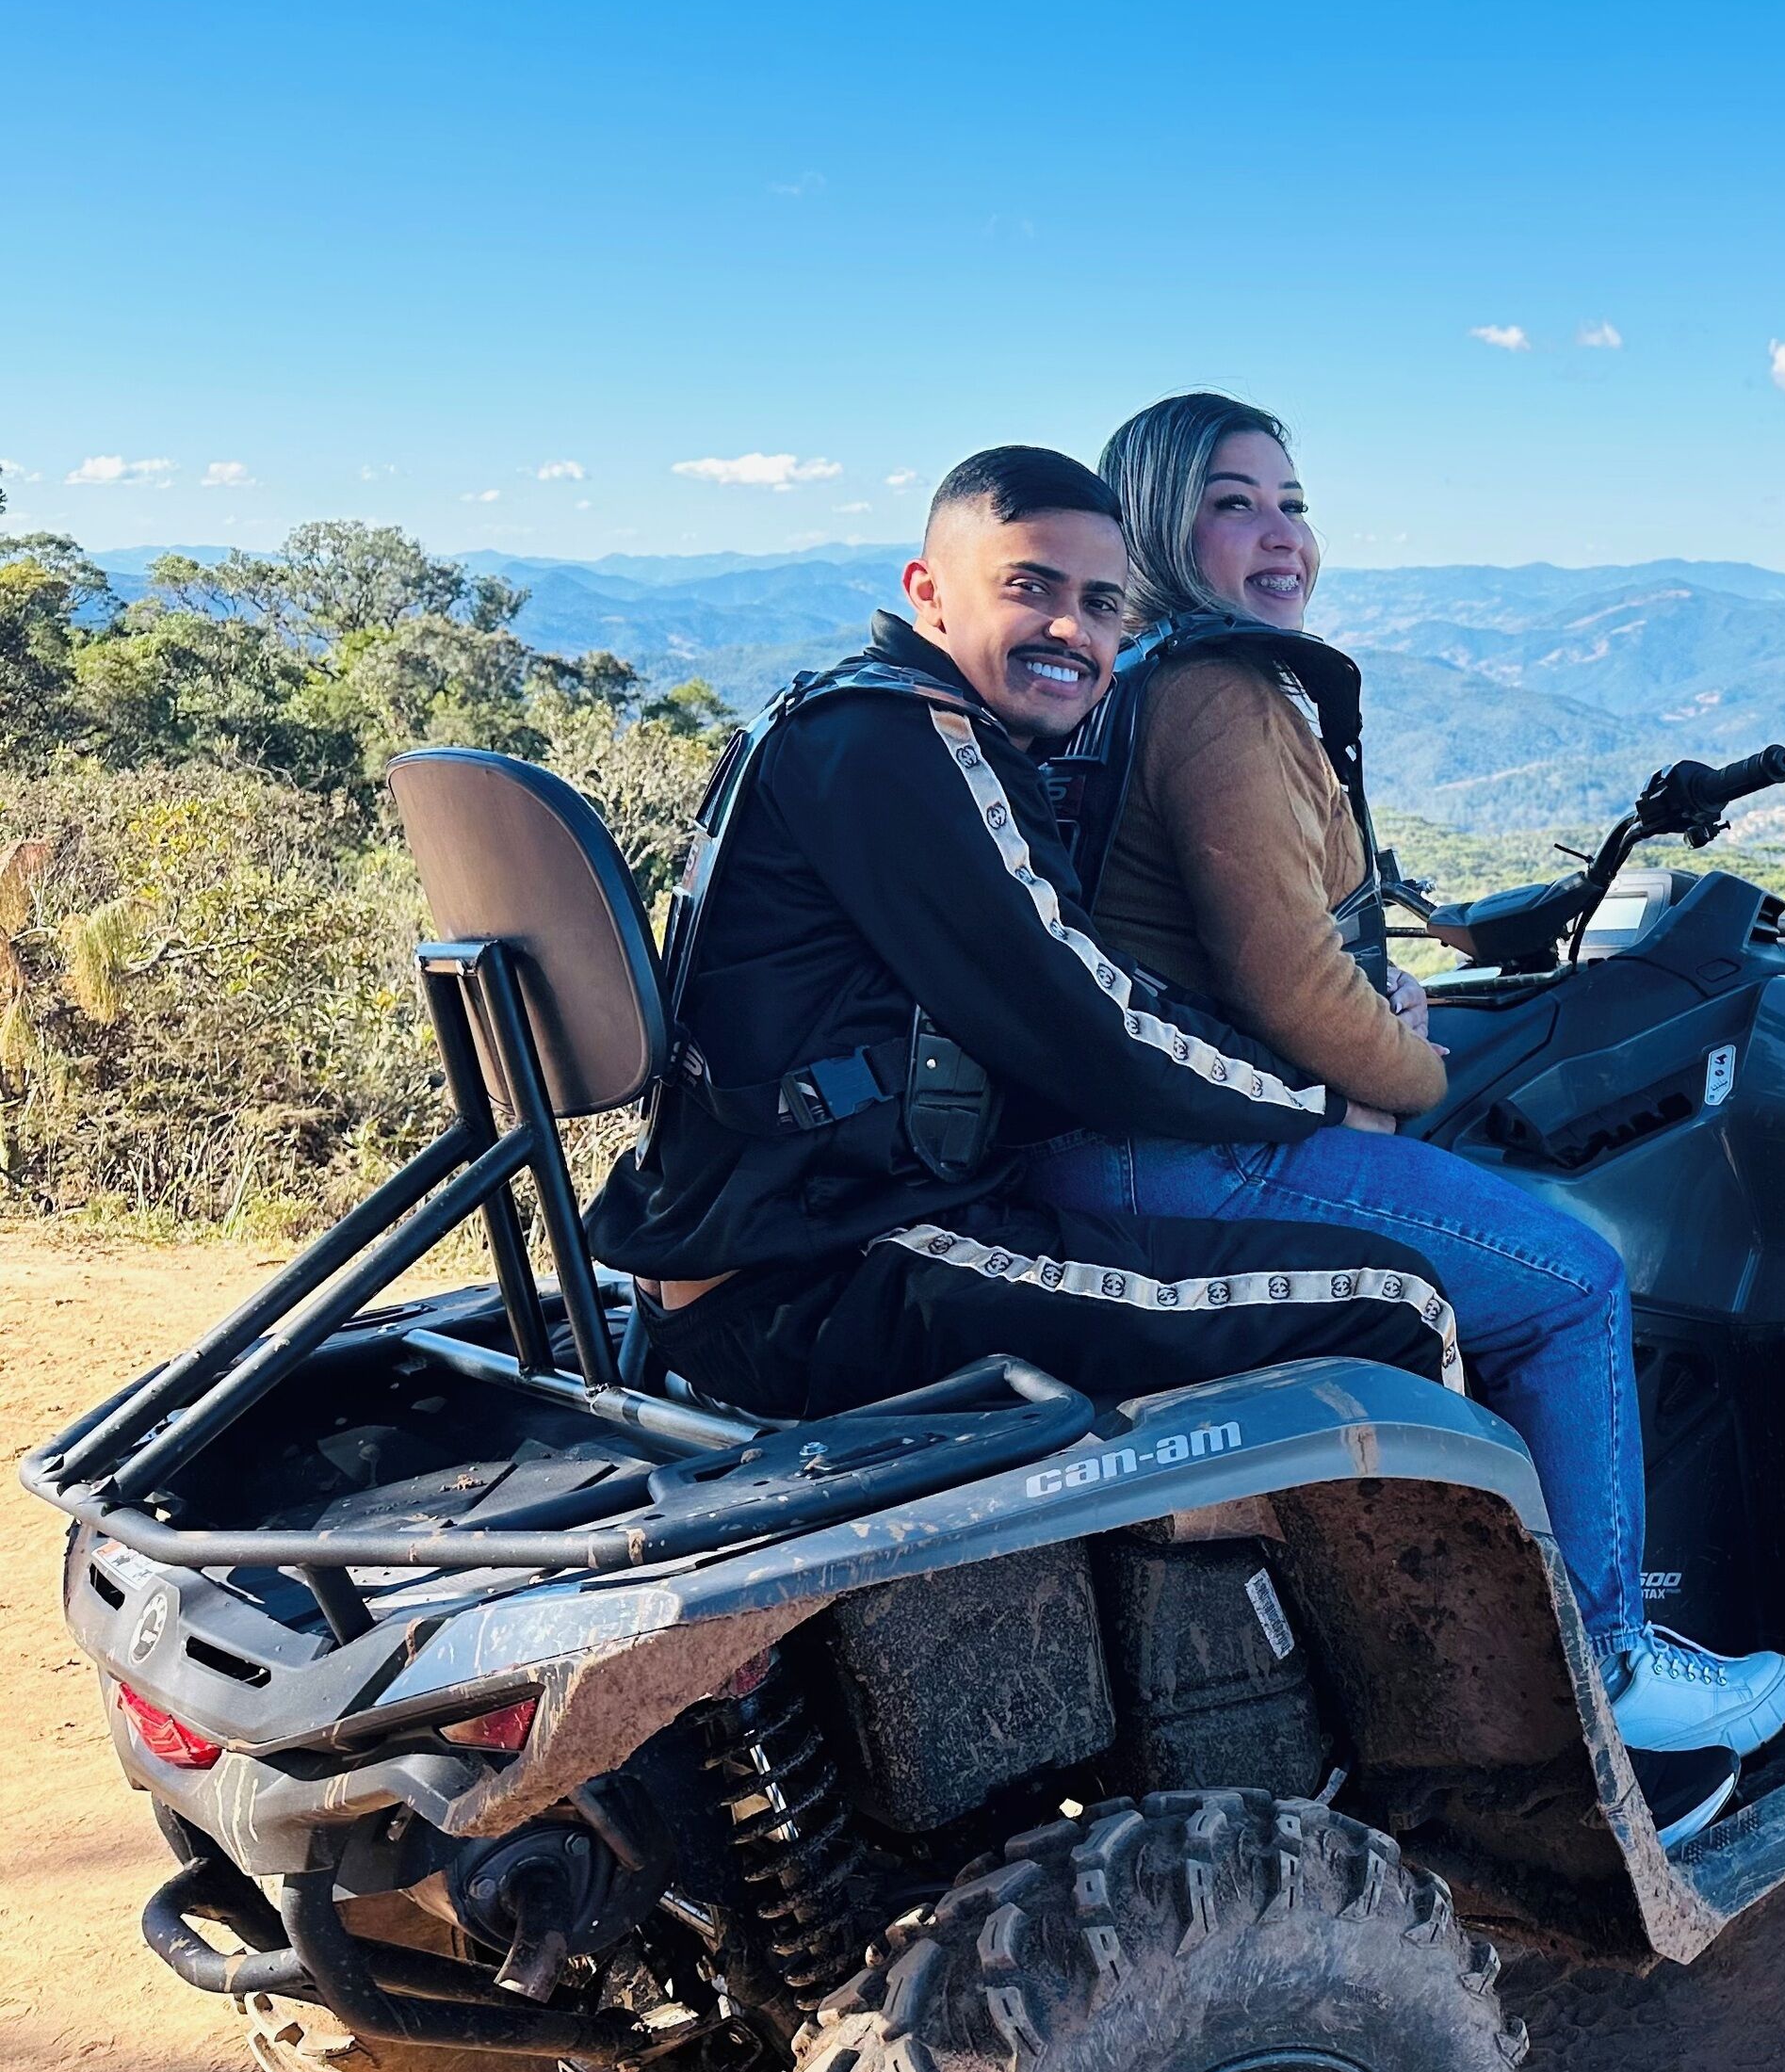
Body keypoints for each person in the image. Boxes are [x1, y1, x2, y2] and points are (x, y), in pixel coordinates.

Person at [1039, 390, 1785, 1768]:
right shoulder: (1219, 696)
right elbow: (1286, 986)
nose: (1279, 534)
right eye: (1233, 503)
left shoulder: (1128, 682)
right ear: (1160, 523)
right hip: (1204, 1150)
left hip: (1125, 1136)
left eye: (1294, 504)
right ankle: (1610, 1663)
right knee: (1570, 1282)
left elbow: (1236, 946)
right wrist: (1400, 1068)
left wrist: (1387, 992)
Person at [583, 445, 1459, 1423]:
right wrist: (1328, 1102)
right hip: (820, 1277)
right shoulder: (907, 744)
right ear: (929, 593)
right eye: (1029, 588)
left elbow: (1067, 982)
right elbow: (1093, 1022)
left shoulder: (853, 720)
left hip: (779, 1242)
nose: (1069, 629)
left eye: (1100, 605)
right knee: (1398, 1301)